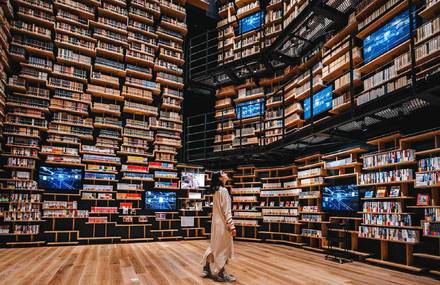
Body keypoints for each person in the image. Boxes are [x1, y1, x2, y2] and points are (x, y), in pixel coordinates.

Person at [201, 171, 237, 282]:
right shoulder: (224, 191)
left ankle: (206, 268)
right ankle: (221, 273)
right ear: (220, 178)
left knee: (214, 246)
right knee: (223, 249)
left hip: (215, 223)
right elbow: (226, 211)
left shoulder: (215, 191)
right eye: (223, 173)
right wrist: (231, 226)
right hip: (223, 224)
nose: (226, 173)